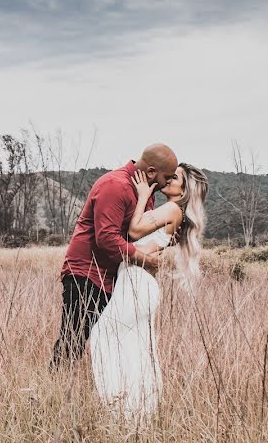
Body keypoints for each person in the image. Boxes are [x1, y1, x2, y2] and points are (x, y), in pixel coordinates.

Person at [89, 162, 208, 421]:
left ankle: (121, 409)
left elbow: (133, 231)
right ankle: (135, 411)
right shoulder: (174, 211)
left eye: (174, 178)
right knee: (135, 347)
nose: (167, 179)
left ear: (184, 188)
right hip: (137, 282)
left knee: (103, 335)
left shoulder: (171, 208)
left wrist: (142, 195)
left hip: (137, 283)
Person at [50, 144, 179, 370]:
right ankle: (46, 396)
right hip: (87, 275)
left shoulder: (145, 193)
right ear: (150, 172)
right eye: (166, 177)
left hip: (112, 278)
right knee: (73, 342)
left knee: (108, 341)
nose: (168, 182)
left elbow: (132, 233)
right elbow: (107, 238)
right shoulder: (115, 185)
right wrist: (144, 259)